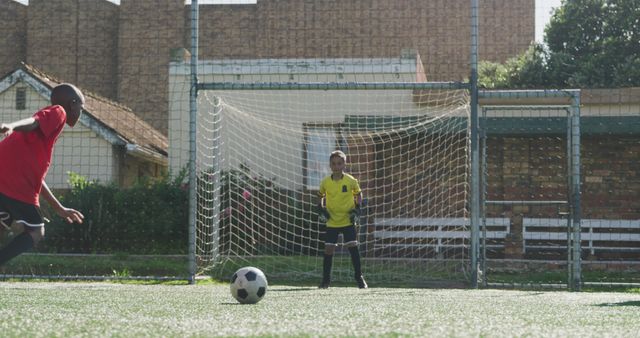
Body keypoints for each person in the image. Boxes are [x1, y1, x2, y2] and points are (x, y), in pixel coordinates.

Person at [0, 83, 85, 266]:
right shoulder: (59, 112)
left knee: (2, 224)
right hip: (14, 182)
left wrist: (59, 208)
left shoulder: (43, 136)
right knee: (36, 232)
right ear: (72, 103)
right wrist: (12, 125)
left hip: (5, 177)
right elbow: (34, 121)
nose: (80, 112)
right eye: (81, 107)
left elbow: (37, 180)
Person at [317, 150, 367, 289]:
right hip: (332, 221)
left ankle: (359, 278)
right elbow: (320, 196)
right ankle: (325, 281)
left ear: (344, 164)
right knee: (328, 250)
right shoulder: (326, 182)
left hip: (347, 220)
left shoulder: (351, 180)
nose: (336, 166)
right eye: (333, 163)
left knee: (353, 247)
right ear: (330, 165)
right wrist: (321, 209)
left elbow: (359, 194)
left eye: (339, 163)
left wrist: (357, 209)